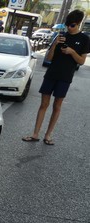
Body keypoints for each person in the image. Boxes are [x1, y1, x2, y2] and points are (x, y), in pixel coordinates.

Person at [22, 10, 90, 145]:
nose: (69, 28)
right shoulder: (60, 36)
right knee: (43, 104)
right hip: (51, 74)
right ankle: (35, 134)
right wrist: (54, 45)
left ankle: (48, 135)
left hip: (65, 77)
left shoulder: (84, 39)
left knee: (57, 106)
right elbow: (49, 58)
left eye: (72, 25)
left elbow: (81, 61)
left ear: (78, 24)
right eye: (67, 25)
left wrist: (71, 52)